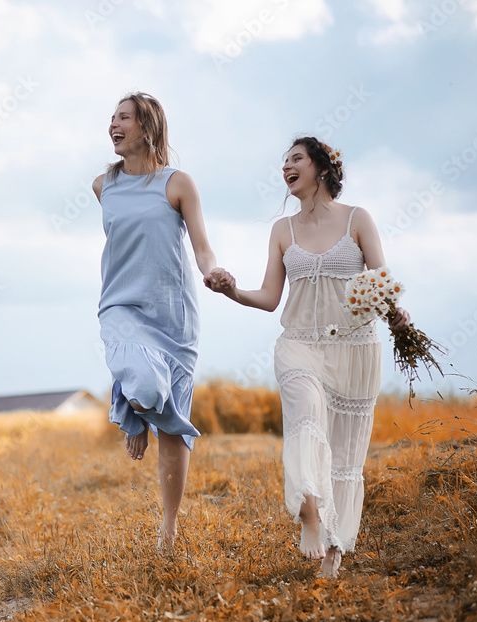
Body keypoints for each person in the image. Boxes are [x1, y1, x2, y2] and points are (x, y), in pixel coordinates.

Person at [207, 137, 410, 577]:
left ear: (321, 167)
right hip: (298, 342)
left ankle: (335, 550)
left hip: (354, 348)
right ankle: (310, 518)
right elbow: (268, 297)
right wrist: (232, 291)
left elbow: (380, 280)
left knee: (343, 454)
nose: (286, 167)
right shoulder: (283, 229)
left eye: (295, 159)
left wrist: (397, 317)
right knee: (305, 416)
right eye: (284, 162)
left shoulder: (358, 219)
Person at [93, 92, 219, 552]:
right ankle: (132, 411)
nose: (113, 125)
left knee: (172, 423)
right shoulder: (102, 185)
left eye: (123, 118)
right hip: (121, 306)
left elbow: (202, 247)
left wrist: (213, 273)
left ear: (147, 128)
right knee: (145, 387)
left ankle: (169, 527)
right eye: (111, 118)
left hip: (174, 314)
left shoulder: (177, 184)